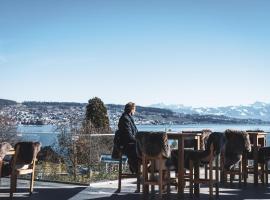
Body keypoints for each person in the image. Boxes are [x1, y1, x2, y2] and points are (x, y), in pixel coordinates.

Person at [118, 102, 139, 173]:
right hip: (126, 145)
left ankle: (144, 168)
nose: (135, 111)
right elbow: (129, 136)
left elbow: (134, 133)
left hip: (129, 144)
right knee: (143, 148)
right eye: (134, 109)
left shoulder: (128, 118)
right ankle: (138, 168)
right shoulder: (125, 119)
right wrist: (139, 141)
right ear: (131, 109)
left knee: (145, 148)